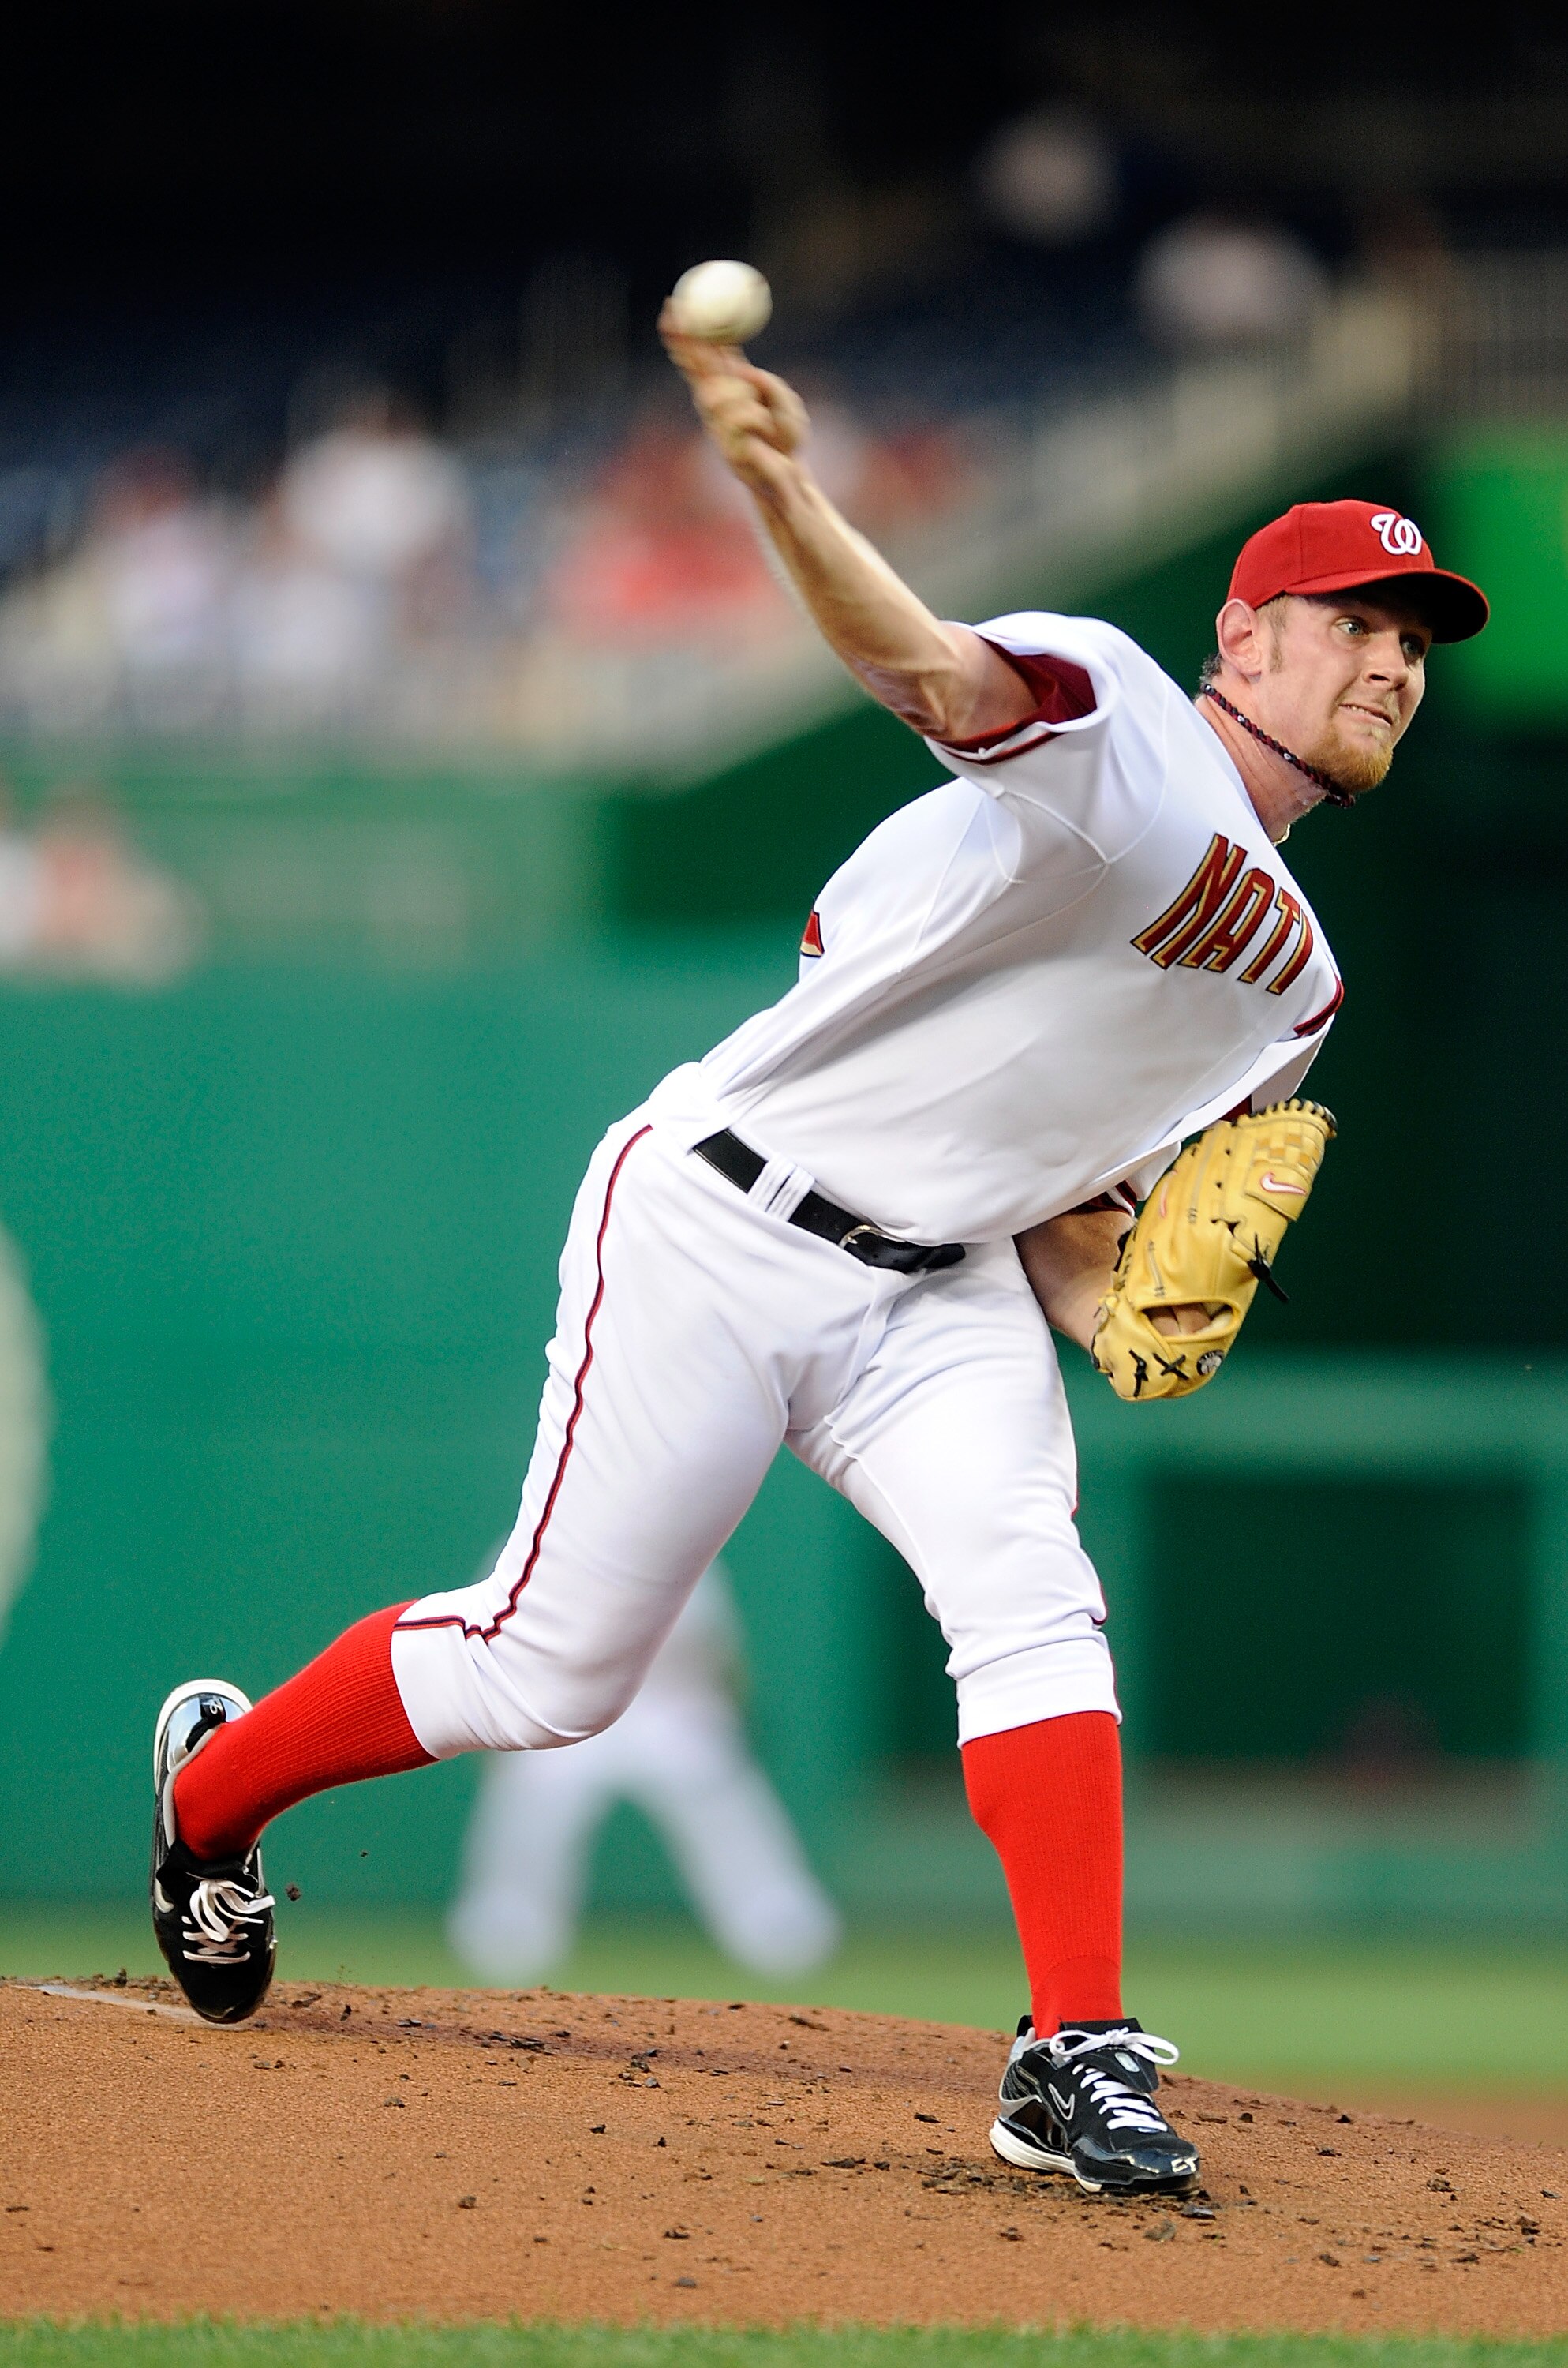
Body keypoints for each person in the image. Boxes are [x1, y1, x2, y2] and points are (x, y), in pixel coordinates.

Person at [148, 307, 1488, 2200]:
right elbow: (923, 668)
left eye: (1411, 640)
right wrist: (778, 487)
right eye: (1350, 623)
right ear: (1239, 641)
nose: (1388, 663)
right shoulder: (1116, 725)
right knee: (550, 1673)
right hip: (717, 1216)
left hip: (931, 1287)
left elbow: (1062, 1203)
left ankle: (1069, 2046)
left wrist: (1117, 1298)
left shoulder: (1303, 995)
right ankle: (212, 1792)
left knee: (1030, 1586)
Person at [447, 1559, 842, 1982]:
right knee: (534, 1799)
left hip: (669, 1700)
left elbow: (716, 1650)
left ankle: (778, 1925)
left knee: (718, 1795)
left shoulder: (682, 1528)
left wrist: (733, 1710)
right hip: (562, 1706)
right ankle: (508, 1932)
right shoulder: (533, 1536)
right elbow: (493, 1640)